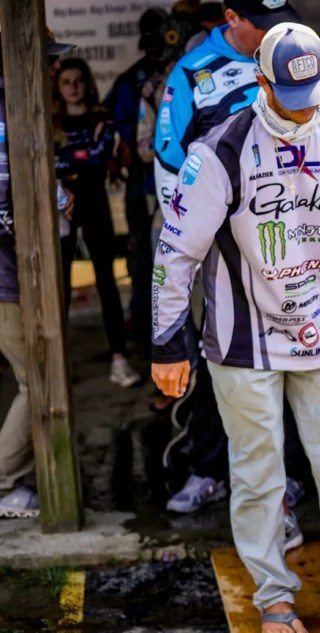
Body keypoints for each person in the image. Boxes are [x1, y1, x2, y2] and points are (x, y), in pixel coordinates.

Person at [151, 22, 320, 633]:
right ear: (261, 82)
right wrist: (167, 344)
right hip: (243, 344)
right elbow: (175, 254)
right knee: (258, 475)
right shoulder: (219, 150)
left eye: (314, 94)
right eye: (292, 97)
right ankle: (273, 595)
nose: (305, 108)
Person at [153, 0, 320, 523]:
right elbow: (170, 165)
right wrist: (198, 234)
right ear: (231, 18)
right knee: (222, 377)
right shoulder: (193, 74)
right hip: (229, 263)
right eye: (262, 22)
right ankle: (207, 468)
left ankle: (294, 484)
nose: (275, 28)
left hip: (310, 285)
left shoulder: (309, 72)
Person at [0, 30, 76, 518]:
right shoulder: (7, 110)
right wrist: (58, 199)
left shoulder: (17, 104)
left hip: (13, 272)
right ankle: (4, 482)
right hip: (8, 274)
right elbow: (8, 200)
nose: (54, 68)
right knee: (36, 382)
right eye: (47, 59)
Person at [53, 57, 142, 388]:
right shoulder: (50, 120)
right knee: (59, 286)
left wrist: (72, 159)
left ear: (88, 83)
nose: (73, 87)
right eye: (66, 82)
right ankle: (58, 364)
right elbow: (54, 160)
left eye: (79, 80)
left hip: (94, 204)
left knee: (106, 281)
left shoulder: (101, 117)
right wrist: (79, 157)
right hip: (61, 208)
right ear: (57, 87)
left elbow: (95, 157)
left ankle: (119, 358)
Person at [105, 8, 171, 351]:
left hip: (179, 180)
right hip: (142, 181)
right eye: (151, 43)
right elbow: (108, 121)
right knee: (142, 252)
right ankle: (144, 322)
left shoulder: (183, 73)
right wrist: (116, 155)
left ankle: (167, 328)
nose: (156, 50)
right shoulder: (129, 80)